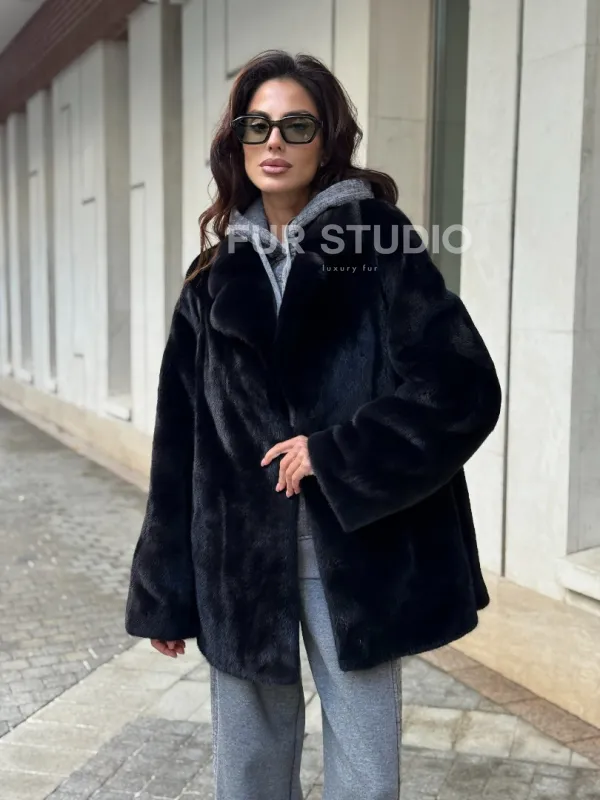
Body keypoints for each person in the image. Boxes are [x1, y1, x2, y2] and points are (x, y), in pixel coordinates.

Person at [125, 49, 502, 800]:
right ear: (237, 141)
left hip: (356, 551)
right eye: (256, 125)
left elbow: (462, 386)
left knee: (365, 767)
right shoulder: (210, 281)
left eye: (296, 125)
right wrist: (166, 588)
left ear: (326, 141)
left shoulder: (378, 246)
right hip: (235, 557)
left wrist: (338, 452)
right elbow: (179, 443)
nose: (274, 141)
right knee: (248, 769)